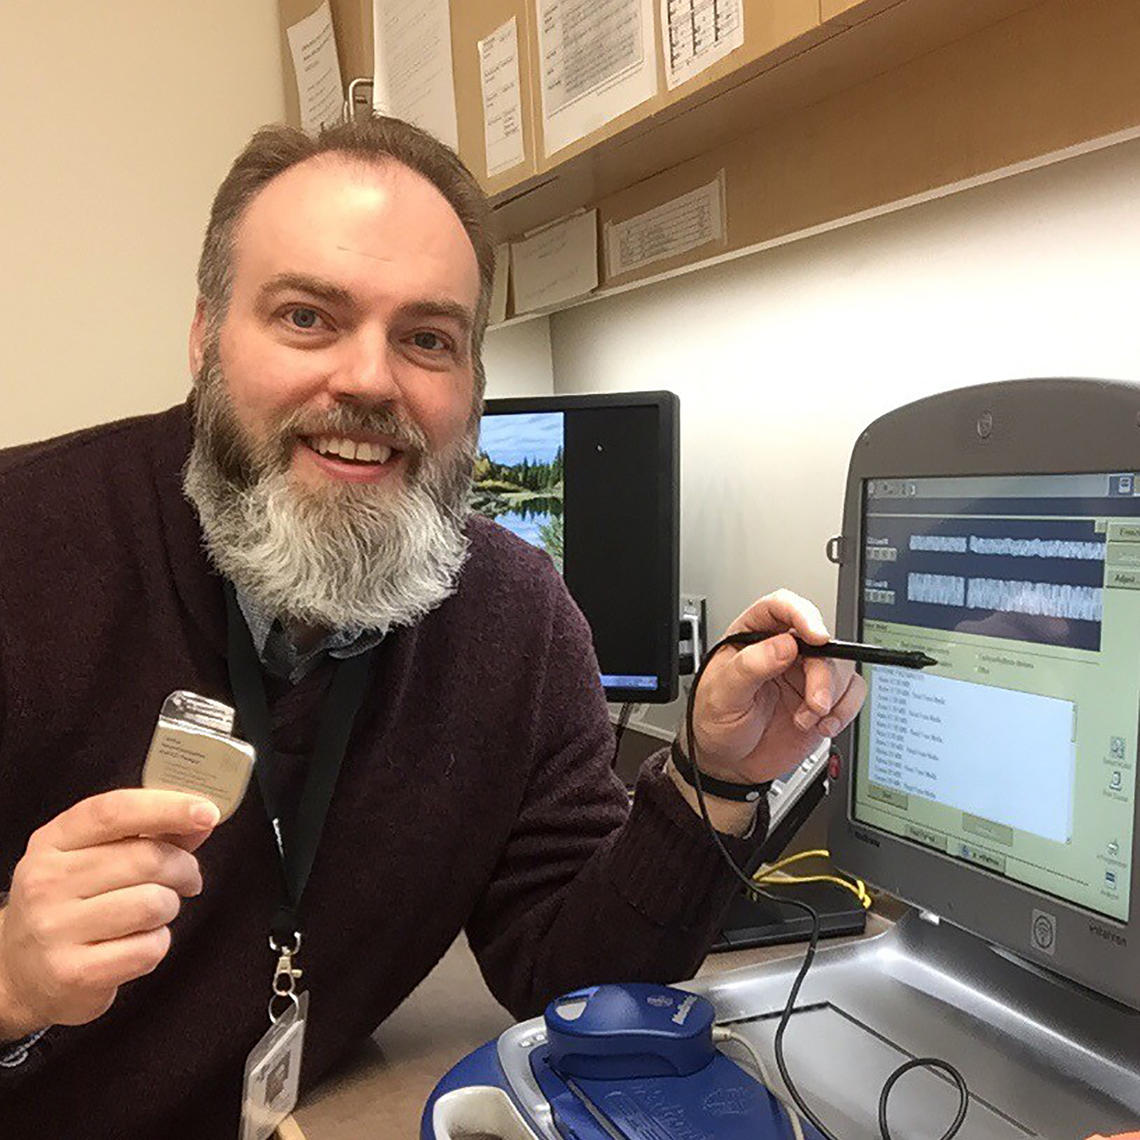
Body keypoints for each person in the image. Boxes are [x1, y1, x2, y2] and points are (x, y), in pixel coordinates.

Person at [0, 115, 865, 1136]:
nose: (370, 381)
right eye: (308, 317)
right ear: (204, 338)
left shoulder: (518, 617)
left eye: (425, 339)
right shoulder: (25, 549)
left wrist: (713, 778)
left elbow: (571, 972)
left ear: (472, 388)